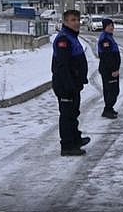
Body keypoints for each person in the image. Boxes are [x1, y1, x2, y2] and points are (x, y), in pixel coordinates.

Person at [51, 9, 90, 156]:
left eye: (77, 20)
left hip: (73, 84)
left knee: (73, 113)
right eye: (72, 20)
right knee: (67, 116)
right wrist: (69, 85)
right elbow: (62, 65)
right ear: (65, 22)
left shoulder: (71, 37)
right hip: (66, 85)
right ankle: (67, 146)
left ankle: (75, 138)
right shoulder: (64, 39)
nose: (76, 23)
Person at [97, 18, 121, 119]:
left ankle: (109, 108)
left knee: (113, 90)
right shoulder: (105, 39)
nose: (112, 27)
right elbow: (107, 57)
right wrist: (113, 70)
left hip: (111, 69)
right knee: (111, 91)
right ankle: (107, 109)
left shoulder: (109, 37)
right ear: (105, 27)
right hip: (109, 70)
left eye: (112, 25)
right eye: (109, 26)